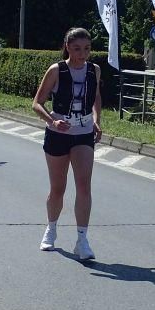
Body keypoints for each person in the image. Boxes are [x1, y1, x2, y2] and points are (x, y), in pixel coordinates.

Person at [31, 28, 103, 261]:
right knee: (58, 188)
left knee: (84, 186)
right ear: (67, 48)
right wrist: (52, 121)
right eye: (77, 49)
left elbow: (95, 96)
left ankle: (82, 240)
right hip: (58, 133)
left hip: (83, 133)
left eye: (87, 49)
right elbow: (37, 103)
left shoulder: (94, 70)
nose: (83, 54)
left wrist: (96, 120)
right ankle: (51, 229)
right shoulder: (57, 70)